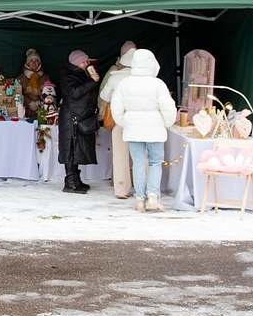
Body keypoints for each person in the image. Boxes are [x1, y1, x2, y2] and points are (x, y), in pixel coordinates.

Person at [110, 48, 177, 213]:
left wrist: (124, 123)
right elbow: (168, 107)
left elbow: (116, 107)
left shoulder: (124, 83)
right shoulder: (157, 84)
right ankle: (153, 196)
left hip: (133, 129)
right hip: (155, 129)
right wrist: (167, 123)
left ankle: (140, 199)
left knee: (138, 164)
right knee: (154, 163)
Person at [97, 41, 137, 199]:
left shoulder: (115, 76)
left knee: (120, 156)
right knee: (141, 156)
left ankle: (121, 188)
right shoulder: (149, 78)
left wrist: (102, 111)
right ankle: (145, 189)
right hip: (139, 122)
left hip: (120, 121)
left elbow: (103, 95)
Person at [57, 49, 100, 194]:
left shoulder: (79, 74)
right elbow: (74, 92)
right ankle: (70, 182)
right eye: (84, 62)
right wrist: (90, 81)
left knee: (76, 150)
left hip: (79, 116)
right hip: (71, 118)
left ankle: (76, 179)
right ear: (76, 63)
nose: (86, 64)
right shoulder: (68, 76)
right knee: (70, 149)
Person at [18, 48, 50, 114]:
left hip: (42, 111)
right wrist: (29, 102)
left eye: (36, 61)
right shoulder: (21, 77)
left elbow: (50, 94)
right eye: (31, 61)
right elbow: (18, 94)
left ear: (40, 63)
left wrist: (40, 102)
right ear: (27, 63)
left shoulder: (46, 77)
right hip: (25, 112)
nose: (34, 63)